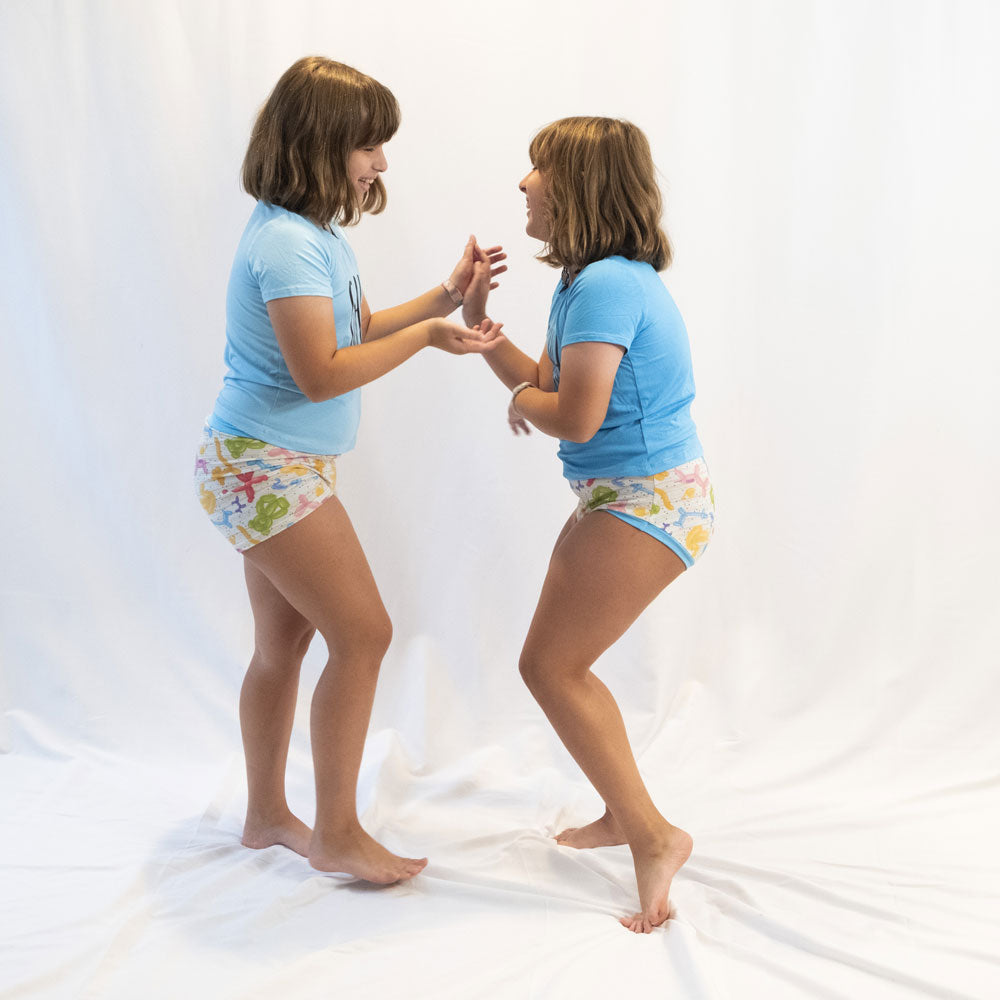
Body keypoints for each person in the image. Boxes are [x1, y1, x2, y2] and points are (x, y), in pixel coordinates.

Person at [193, 56, 505, 885]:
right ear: (322, 144)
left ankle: (266, 816)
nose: (382, 164)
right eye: (370, 146)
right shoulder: (289, 246)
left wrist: (444, 295)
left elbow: (359, 325)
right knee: (364, 634)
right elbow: (323, 373)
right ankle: (335, 831)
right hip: (265, 469)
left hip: (269, 466)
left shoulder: (312, 235)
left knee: (284, 643)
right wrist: (430, 342)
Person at [464, 117, 715, 932]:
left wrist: (524, 401)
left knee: (552, 666)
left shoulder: (610, 282)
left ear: (577, 188)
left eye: (537, 169)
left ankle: (653, 835)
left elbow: (570, 415)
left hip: (650, 498)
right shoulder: (584, 281)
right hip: (623, 493)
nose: (524, 185)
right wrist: (482, 326)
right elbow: (543, 381)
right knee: (552, 663)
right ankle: (626, 815)